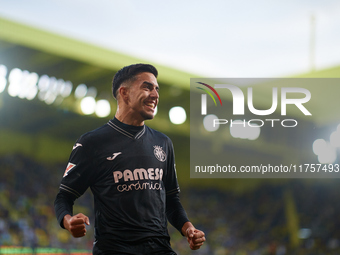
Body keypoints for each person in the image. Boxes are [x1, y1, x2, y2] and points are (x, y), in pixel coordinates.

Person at [54, 63, 205, 254]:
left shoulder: (163, 142)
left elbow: (171, 200)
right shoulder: (92, 142)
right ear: (124, 93)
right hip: (115, 249)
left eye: (156, 89)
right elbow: (64, 197)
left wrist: (188, 228)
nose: (155, 95)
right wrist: (68, 221)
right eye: (147, 87)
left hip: (159, 248)